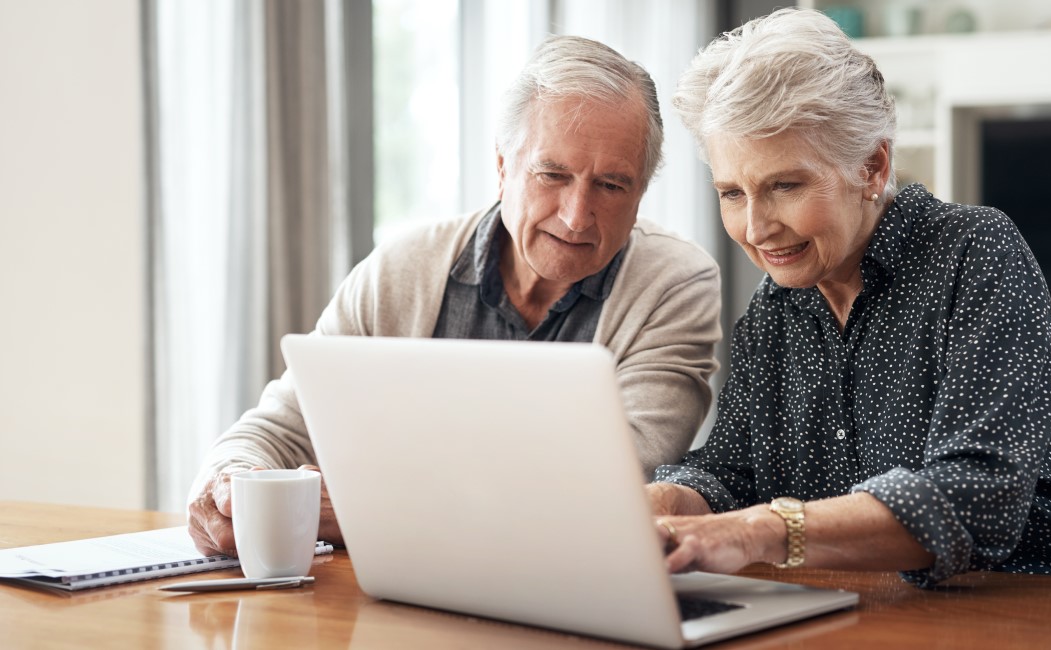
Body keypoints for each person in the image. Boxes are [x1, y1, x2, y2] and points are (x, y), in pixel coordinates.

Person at [647, 8, 1051, 588]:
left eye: (785, 185)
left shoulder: (975, 252)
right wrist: (669, 498)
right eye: (732, 193)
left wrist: (763, 530)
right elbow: (731, 471)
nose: (756, 228)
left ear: (872, 166)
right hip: (883, 609)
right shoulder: (775, 308)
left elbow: (977, 495)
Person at [188, 35, 721, 557]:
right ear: (502, 168)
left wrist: (363, 510)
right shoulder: (401, 269)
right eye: (551, 174)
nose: (576, 215)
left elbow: (618, 487)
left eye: (611, 185)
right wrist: (226, 483)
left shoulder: (675, 285)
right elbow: (281, 426)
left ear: (641, 193)